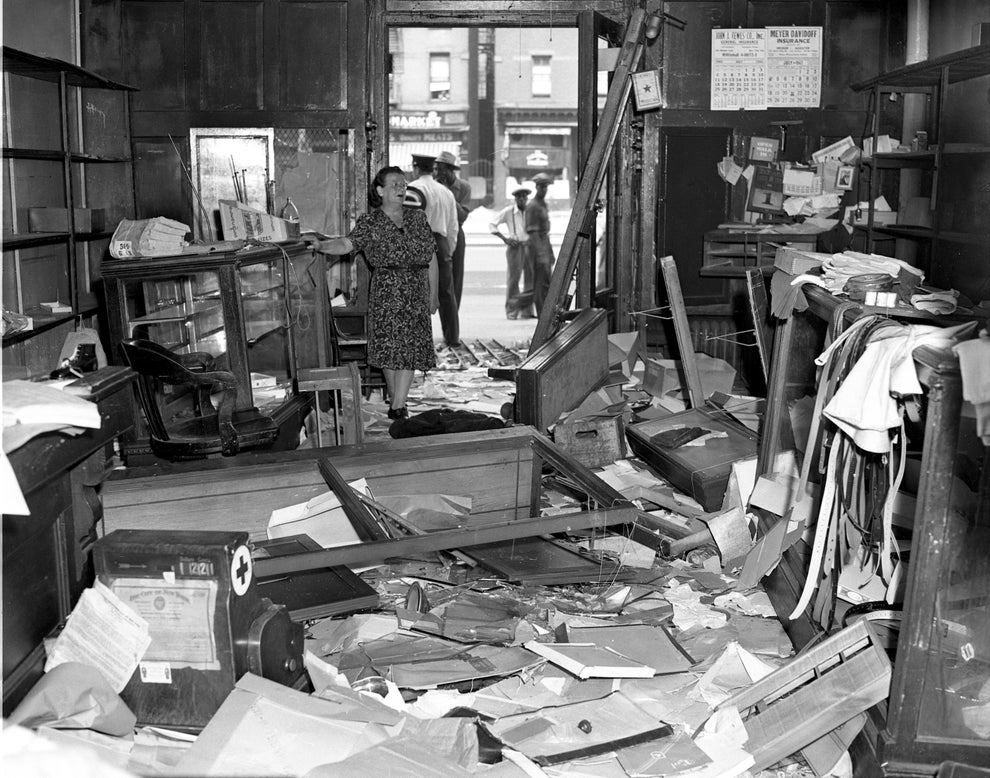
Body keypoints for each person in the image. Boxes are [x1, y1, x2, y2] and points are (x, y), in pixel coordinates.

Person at [310, 166, 439, 421]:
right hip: (387, 291)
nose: (401, 188)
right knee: (391, 351)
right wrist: (321, 245)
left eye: (403, 184)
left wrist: (433, 295)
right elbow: (347, 244)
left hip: (415, 290)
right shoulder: (370, 222)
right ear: (380, 190)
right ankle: (398, 404)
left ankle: (398, 406)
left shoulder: (418, 218)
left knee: (409, 349)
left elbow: (432, 257)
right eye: (394, 184)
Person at [412, 153, 460, 348]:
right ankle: (452, 337)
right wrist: (448, 249)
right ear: (433, 169)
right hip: (441, 242)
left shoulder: (413, 189)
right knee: (446, 293)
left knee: (418, 291)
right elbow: (453, 226)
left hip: (418, 241)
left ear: (416, 167)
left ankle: (420, 339)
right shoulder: (446, 192)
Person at [435, 151, 472, 309]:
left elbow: (462, 215)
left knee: (456, 275)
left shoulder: (463, 187)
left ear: (450, 170)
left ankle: (453, 311)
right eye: (437, 169)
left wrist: (448, 194)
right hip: (438, 231)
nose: (439, 173)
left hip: (456, 231)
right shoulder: (434, 186)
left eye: (442, 169)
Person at [488, 187, 531, 319]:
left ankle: (527, 311)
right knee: (513, 280)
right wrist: (505, 239)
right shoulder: (509, 212)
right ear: (515, 199)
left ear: (527, 198)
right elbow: (492, 225)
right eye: (519, 197)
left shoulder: (531, 211)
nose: (522, 199)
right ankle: (512, 311)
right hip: (515, 247)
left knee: (530, 280)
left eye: (524, 197)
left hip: (529, 247)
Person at [525, 172, 556, 317]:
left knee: (547, 284)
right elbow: (533, 233)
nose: (544, 190)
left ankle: (546, 315)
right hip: (537, 248)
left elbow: (545, 233)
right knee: (540, 285)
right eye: (542, 187)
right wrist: (541, 254)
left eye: (546, 187)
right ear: (537, 187)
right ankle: (541, 316)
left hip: (544, 245)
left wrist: (549, 252)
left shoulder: (543, 204)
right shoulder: (532, 206)